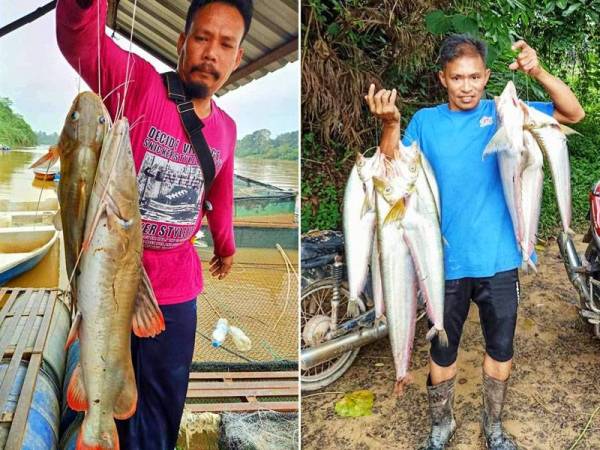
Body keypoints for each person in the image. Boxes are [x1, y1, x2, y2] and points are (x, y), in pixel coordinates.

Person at [365, 34, 584, 450]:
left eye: (474, 77)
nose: (467, 86)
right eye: (457, 78)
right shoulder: (426, 123)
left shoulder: (507, 113)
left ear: (486, 77)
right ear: (442, 79)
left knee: (500, 350)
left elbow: (573, 113)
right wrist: (391, 125)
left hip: (500, 259)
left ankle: (494, 425)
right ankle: (441, 426)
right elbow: (390, 168)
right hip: (442, 264)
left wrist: (537, 71)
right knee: (442, 353)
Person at [56, 0, 253, 448]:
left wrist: (226, 245)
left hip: (177, 293)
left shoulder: (226, 128)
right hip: (109, 280)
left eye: (226, 45)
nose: (212, 54)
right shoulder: (141, 85)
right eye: (202, 38)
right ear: (182, 43)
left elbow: (219, 196)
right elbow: (79, 40)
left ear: (238, 58)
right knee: (105, 399)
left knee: (162, 408)